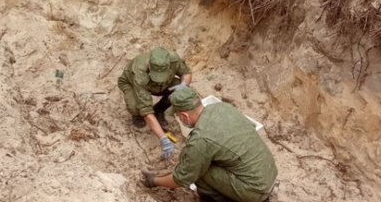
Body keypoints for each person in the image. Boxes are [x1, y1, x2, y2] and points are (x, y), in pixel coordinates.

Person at [141, 86, 278, 202]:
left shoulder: (201, 139)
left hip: (255, 190)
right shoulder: (222, 107)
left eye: (178, 116)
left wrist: (154, 181)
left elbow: (182, 178)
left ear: (184, 116)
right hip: (269, 172)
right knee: (203, 161)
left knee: (199, 172)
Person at [117, 47, 192, 160]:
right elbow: (146, 109)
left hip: (164, 84)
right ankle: (136, 115)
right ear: (150, 67)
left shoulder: (174, 59)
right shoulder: (139, 72)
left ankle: (159, 110)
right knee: (136, 108)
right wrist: (163, 139)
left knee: (179, 91)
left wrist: (183, 85)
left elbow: (186, 73)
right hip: (131, 84)